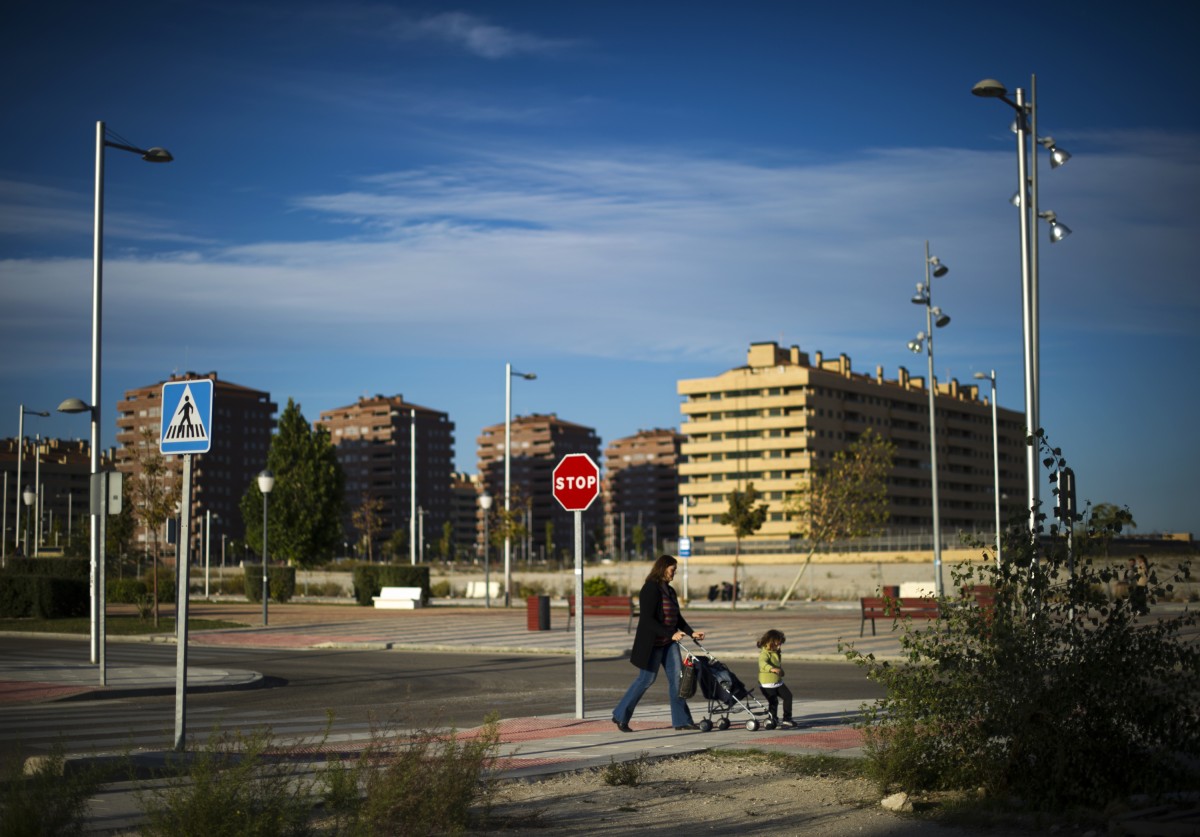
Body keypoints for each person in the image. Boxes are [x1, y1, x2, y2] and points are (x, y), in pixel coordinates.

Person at [612, 554, 706, 732]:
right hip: (652, 644)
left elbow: (677, 617)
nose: (674, 574)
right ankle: (620, 715)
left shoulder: (669, 591)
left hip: (668, 644)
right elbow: (647, 620)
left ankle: (682, 721)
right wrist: (671, 634)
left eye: (675, 570)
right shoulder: (650, 589)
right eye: (672, 570)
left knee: (678, 681)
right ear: (663, 568)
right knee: (646, 680)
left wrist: (691, 632)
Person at [756, 629, 796, 729]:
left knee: (788, 696)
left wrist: (780, 671)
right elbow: (762, 664)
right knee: (773, 701)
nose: (779, 647)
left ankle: (787, 719)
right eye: (777, 644)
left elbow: (777, 664)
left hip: (777, 681)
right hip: (767, 683)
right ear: (770, 642)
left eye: (780, 644)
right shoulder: (764, 653)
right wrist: (772, 669)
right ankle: (772, 719)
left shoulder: (776, 652)